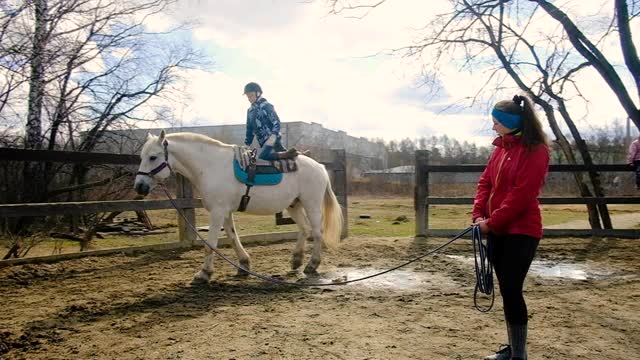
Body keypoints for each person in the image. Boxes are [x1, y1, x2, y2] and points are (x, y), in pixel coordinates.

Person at [472, 94, 550, 360]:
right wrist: (478, 215)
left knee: (511, 288)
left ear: (509, 122)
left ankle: (519, 355)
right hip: (497, 229)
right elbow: (485, 184)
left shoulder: (535, 151)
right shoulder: (500, 149)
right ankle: (514, 349)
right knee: (507, 289)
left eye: (496, 122)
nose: (493, 127)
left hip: (521, 231)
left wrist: (491, 223)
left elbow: (522, 195)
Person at [243, 82, 298, 161]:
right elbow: (250, 129)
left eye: (251, 95)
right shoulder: (250, 111)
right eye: (248, 97)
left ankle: (290, 154)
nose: (249, 99)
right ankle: (299, 155)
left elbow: (276, 122)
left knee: (262, 156)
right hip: (263, 142)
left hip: (272, 139)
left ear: (258, 93)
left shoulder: (266, 106)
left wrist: (273, 135)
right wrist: (247, 144)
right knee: (286, 154)